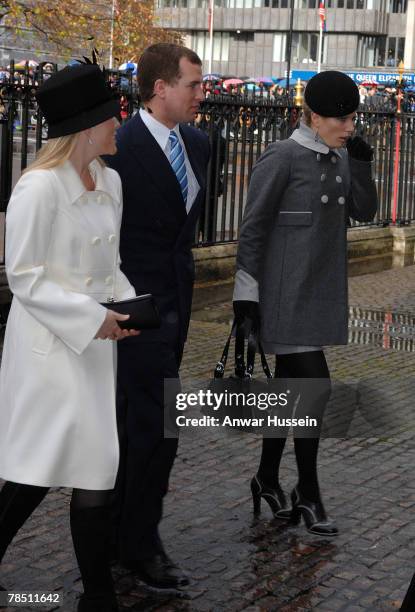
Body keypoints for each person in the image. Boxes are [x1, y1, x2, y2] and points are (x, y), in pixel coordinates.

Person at [0, 64, 139, 612]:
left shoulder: (111, 181)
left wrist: (129, 309)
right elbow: (25, 276)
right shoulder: (37, 186)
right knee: (39, 472)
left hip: (93, 350)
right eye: (111, 115)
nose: (118, 123)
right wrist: (92, 317)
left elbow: (112, 267)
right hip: (49, 353)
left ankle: (97, 596)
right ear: (86, 126)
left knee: (96, 467)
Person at [232, 71, 378, 536]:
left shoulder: (338, 157)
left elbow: (365, 211)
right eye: (341, 117)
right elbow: (253, 228)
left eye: (353, 116)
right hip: (283, 297)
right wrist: (245, 294)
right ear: (314, 115)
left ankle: (267, 479)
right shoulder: (282, 156)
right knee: (315, 389)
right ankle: (308, 492)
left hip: (320, 293)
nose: (349, 125)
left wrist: (360, 166)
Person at [105, 43, 209, 588]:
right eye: (193, 83)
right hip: (133, 309)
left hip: (179, 307)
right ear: (160, 87)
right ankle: (140, 546)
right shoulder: (118, 147)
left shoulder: (199, 142)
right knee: (155, 428)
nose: (201, 92)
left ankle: (120, 533)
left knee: (143, 426)